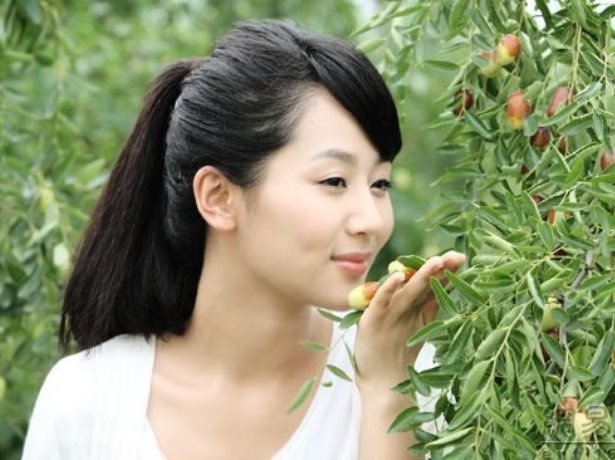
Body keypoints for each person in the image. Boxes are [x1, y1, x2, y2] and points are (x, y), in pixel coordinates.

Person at [21, 18, 465, 459]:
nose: (371, 220)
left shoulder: (417, 376)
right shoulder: (86, 402)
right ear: (218, 197)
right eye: (334, 181)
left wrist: (390, 393)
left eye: (380, 183)